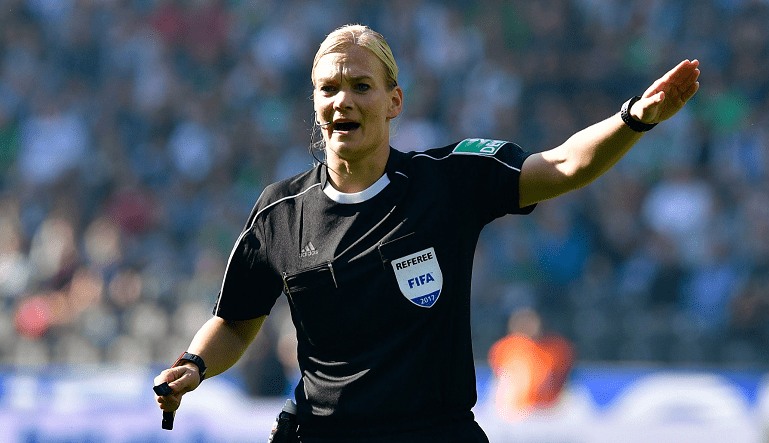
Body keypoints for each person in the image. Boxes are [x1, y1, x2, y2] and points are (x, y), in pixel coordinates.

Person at [154, 24, 700, 442]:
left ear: (394, 102)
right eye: (330, 88)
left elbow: (562, 166)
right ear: (317, 107)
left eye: (361, 86)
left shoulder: (449, 180)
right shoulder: (280, 210)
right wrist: (194, 366)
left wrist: (634, 118)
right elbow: (234, 321)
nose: (343, 99)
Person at [488, 308, 575, 420]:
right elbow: (501, 380)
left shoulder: (556, 348)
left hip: (548, 412)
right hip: (516, 413)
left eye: (530, 322)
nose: (527, 326)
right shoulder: (504, 348)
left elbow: (564, 380)